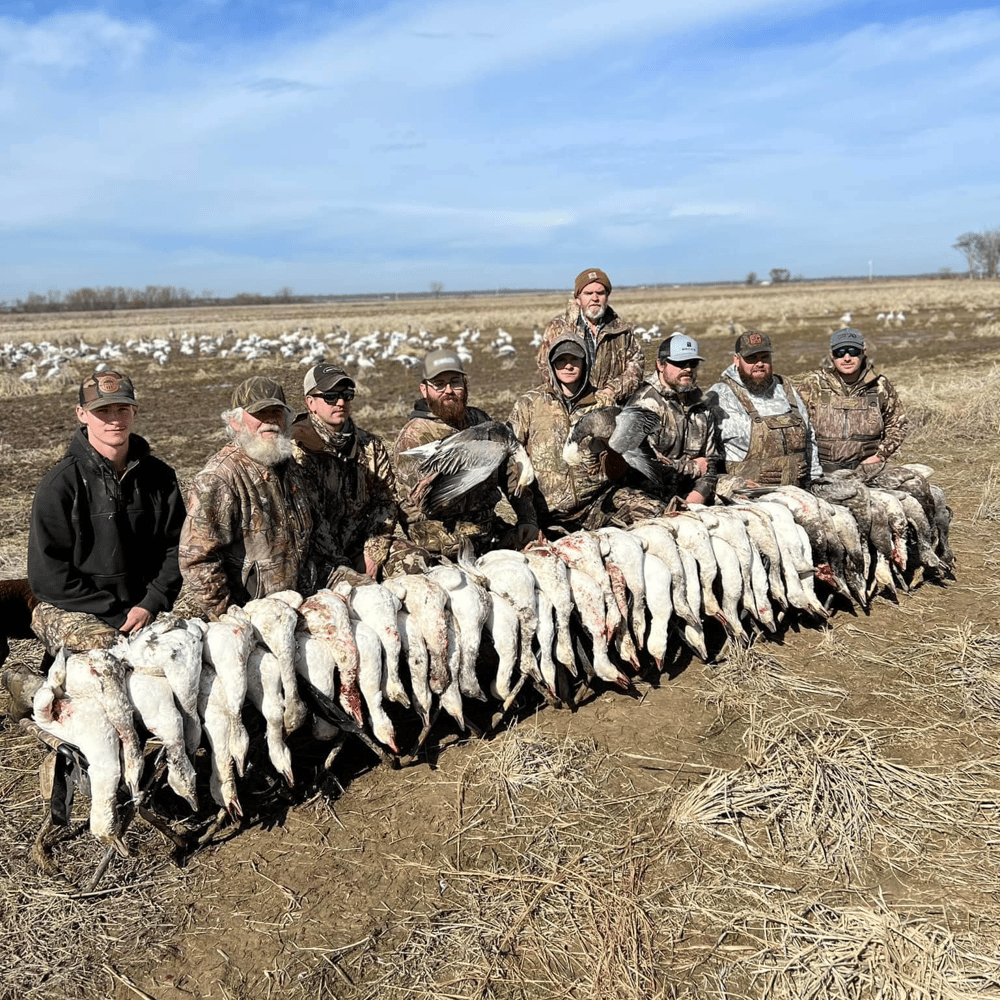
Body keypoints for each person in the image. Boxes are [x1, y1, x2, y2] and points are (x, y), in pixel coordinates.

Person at [27, 371, 185, 654]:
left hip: (144, 608)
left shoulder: (160, 477)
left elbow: (177, 548)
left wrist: (151, 602)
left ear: (134, 411)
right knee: (104, 657)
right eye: (102, 410)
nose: (114, 419)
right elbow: (49, 577)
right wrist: (114, 613)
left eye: (122, 409)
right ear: (82, 414)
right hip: (82, 610)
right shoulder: (59, 485)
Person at [179, 376, 313, 617]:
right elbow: (197, 560)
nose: (269, 420)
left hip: (298, 607)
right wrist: (229, 618)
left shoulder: (291, 468)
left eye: (276, 412)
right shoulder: (219, 478)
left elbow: (315, 538)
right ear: (235, 421)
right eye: (259, 413)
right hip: (253, 616)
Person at [510, 329, 664, 531]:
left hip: (597, 504)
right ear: (551, 364)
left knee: (655, 513)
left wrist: (614, 450)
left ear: (585, 363)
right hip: (547, 511)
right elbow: (512, 463)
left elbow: (617, 471)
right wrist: (526, 516)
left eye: (574, 359)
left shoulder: (604, 403)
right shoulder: (528, 405)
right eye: (561, 360)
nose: (568, 365)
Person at [392, 349, 538, 558]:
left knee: (542, 555)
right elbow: (428, 502)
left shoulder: (481, 420)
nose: (449, 390)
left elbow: (511, 474)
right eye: (439, 384)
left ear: (465, 384)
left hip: (487, 531)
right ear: (424, 390)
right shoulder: (414, 436)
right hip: (440, 542)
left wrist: (527, 518)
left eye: (455, 382)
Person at [291, 363, 399, 583]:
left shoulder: (370, 445)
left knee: (412, 561)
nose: (340, 402)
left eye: (347, 395)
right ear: (310, 403)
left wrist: (373, 552)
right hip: (315, 558)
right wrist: (343, 567)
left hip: (359, 546)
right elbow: (308, 521)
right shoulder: (296, 450)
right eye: (330, 397)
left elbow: (386, 501)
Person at [709, 330, 822, 488]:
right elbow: (707, 456)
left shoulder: (786, 390)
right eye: (751, 358)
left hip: (798, 491)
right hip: (746, 497)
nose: (759, 364)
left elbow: (809, 439)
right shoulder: (720, 396)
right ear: (737, 359)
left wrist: (815, 479)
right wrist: (731, 483)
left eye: (764, 357)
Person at [794, 327, 908, 474]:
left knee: (915, 487)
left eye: (853, 351)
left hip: (868, 471)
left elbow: (898, 423)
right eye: (840, 353)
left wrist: (881, 455)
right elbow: (795, 425)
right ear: (831, 355)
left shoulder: (879, 384)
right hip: (821, 472)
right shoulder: (813, 384)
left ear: (863, 352)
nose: (847, 358)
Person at [627, 334, 721, 505]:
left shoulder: (701, 405)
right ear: (660, 365)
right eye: (679, 363)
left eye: (693, 363)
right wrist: (692, 467)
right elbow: (644, 467)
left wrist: (698, 495)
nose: (687, 369)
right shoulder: (644, 405)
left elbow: (710, 461)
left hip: (693, 488)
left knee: (742, 492)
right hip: (651, 490)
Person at [536, 267, 643, 405]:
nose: (595, 298)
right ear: (578, 299)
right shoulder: (558, 328)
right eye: (588, 293)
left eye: (600, 293)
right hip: (571, 404)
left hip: (612, 405)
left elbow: (636, 365)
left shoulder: (621, 330)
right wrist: (571, 396)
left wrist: (610, 392)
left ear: (607, 297)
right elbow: (545, 366)